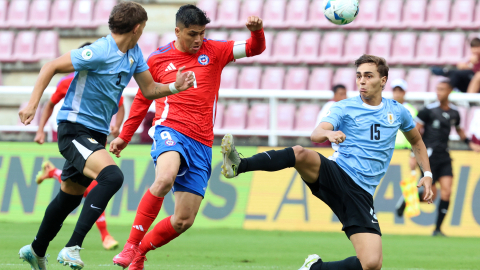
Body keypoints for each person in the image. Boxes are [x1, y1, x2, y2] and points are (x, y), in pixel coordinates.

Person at [18, 2, 195, 270]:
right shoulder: (100, 51)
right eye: (144, 28)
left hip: (96, 133)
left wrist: (174, 86)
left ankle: (35, 249)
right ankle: (72, 247)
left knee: (70, 195)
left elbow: (148, 90)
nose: (143, 33)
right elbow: (50, 66)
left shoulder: (133, 53)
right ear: (137, 28)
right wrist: (32, 104)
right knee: (112, 176)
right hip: (73, 128)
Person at [221, 54, 434, 270]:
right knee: (300, 153)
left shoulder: (398, 111)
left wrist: (427, 175)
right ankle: (240, 164)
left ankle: (314, 268)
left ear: (383, 80)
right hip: (337, 173)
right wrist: (328, 134)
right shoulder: (345, 107)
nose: (362, 81)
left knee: (371, 264)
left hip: (361, 193)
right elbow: (316, 133)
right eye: (359, 76)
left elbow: (416, 141)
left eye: (368, 76)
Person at [109, 5, 266, 269]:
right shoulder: (158, 59)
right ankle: (130, 246)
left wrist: (257, 31)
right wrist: (125, 135)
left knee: (184, 220)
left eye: (202, 33)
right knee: (165, 178)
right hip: (170, 129)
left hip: (202, 142)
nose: (198, 40)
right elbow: (142, 98)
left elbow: (254, 48)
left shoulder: (215, 51)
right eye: (193, 34)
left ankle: (141, 252)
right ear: (177, 31)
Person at [397, 79, 469, 237]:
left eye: (442, 89)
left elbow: (459, 130)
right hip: (429, 157)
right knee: (432, 195)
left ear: (450, 91)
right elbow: (415, 134)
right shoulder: (427, 111)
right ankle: (408, 198)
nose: (439, 92)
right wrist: (412, 154)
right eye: (437, 89)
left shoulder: (454, 112)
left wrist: (471, 143)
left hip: (444, 155)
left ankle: (437, 229)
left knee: (447, 193)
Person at [35, 160, 119, 251]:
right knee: (90, 189)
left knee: (83, 186)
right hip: (88, 151)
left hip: (96, 151)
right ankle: (105, 236)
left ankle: (52, 172)